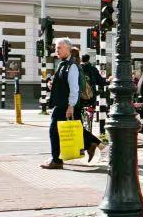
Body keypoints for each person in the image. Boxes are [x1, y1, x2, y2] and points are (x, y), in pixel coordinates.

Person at [41, 38, 101, 169]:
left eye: (59, 48)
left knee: (54, 131)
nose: (56, 50)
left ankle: (56, 160)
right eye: (56, 48)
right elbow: (64, 84)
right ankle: (92, 143)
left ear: (68, 49)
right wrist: (53, 85)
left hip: (66, 104)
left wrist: (71, 106)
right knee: (74, 127)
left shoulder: (72, 66)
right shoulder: (62, 64)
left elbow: (74, 88)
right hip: (63, 103)